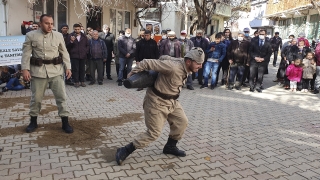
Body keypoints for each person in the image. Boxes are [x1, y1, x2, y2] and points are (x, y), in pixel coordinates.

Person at [115, 47, 205, 165]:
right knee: (154, 133)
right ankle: (125, 150)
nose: (200, 66)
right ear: (189, 61)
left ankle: (170, 147)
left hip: (172, 102)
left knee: (182, 122)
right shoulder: (173, 67)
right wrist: (133, 73)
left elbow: (164, 57)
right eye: (198, 63)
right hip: (156, 102)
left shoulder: (181, 63)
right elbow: (147, 62)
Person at [21, 14, 73, 133]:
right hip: (38, 73)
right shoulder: (31, 35)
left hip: (56, 71)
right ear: (40, 24)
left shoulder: (58, 35)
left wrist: (68, 67)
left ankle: (65, 122)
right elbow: (26, 54)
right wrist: (25, 69)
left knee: (61, 98)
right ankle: (33, 122)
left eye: (51, 23)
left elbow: (64, 53)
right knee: (36, 99)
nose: (50, 26)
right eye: (47, 23)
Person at [66, 23, 89, 88]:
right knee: (75, 69)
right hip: (74, 55)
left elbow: (87, 45)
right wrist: (71, 41)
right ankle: (76, 82)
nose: (77, 30)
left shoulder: (84, 36)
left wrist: (85, 51)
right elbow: (67, 46)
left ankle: (82, 81)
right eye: (75, 29)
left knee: (82, 69)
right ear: (73, 29)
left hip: (83, 55)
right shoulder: (70, 36)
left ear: (80, 29)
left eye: (78, 29)